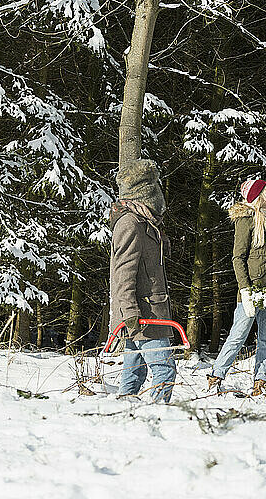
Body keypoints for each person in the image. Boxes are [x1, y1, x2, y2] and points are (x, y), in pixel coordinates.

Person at [207, 178, 266, 396]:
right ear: (258, 194)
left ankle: (261, 381)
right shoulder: (246, 220)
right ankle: (216, 376)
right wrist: (245, 291)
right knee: (237, 337)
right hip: (252, 291)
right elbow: (237, 258)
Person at [109, 159, 176, 402]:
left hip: (150, 311)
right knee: (165, 371)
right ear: (144, 194)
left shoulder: (147, 223)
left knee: (134, 373)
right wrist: (130, 314)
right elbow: (122, 273)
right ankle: (156, 418)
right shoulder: (131, 224)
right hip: (144, 315)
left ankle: (125, 416)